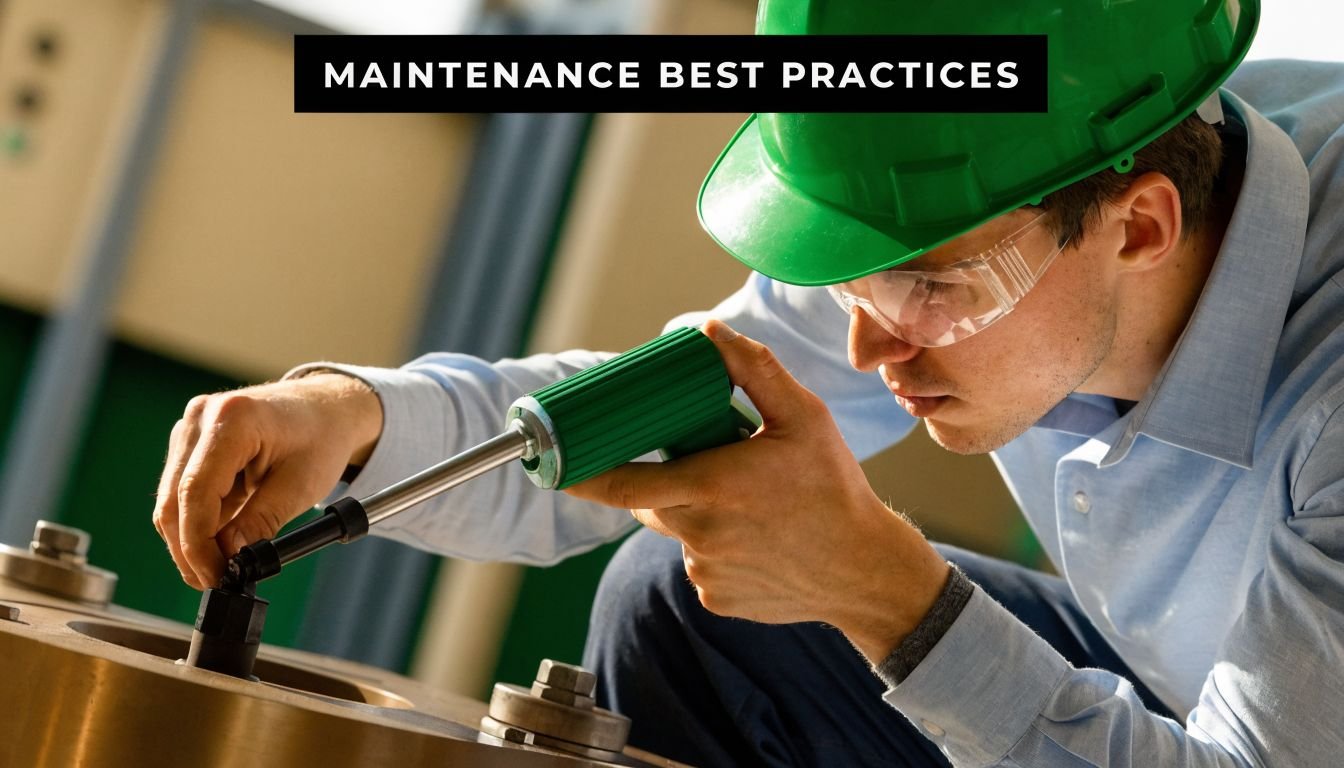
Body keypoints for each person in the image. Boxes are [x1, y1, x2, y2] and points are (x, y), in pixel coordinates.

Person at [153, 0, 1344, 764]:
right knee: (689, 601)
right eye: (850, 284)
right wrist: (358, 420)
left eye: (930, 288)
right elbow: (680, 406)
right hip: (1189, 692)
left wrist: (890, 595)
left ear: (1141, 226)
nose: (868, 349)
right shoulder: (993, 186)